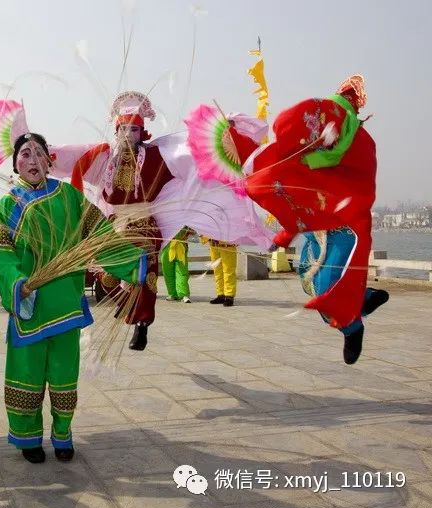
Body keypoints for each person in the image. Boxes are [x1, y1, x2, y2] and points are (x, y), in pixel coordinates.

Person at [48, 91, 274, 350]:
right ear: (116, 129)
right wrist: (39, 150)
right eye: (123, 129)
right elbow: (68, 155)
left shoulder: (159, 155)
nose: (128, 134)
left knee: (146, 272)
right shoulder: (102, 155)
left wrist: (226, 134)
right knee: (105, 275)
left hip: (145, 224)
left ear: (142, 132)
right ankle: (126, 306)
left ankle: (141, 325)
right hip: (114, 225)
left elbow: (194, 152)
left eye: (134, 129)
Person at [0, 133, 146, 464]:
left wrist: (133, 263)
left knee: (64, 375)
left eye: (38, 154)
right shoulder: (6, 206)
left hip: (65, 305)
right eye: (24, 155)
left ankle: (63, 434)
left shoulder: (70, 198)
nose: (32, 160)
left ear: (50, 160)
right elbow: (0, 254)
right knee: (26, 375)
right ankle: (28, 438)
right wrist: (18, 283)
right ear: (16, 163)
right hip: (29, 307)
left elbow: (99, 236)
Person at [245, 75, 389, 364]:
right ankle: (363, 298)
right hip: (318, 228)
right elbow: (301, 198)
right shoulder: (314, 147)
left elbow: (359, 190)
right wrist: (282, 238)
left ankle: (353, 327)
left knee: (325, 290)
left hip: (345, 227)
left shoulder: (361, 144)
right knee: (308, 280)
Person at [160, 227, 194, 303]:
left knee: (182, 271)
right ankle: (172, 293)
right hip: (166, 246)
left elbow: (193, 231)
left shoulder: (185, 218)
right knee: (167, 272)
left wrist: (188, 231)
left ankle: (183, 294)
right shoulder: (163, 218)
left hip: (180, 245)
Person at [203, 237, 238, 306]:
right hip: (213, 245)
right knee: (217, 271)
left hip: (227, 245)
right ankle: (220, 294)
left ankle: (229, 296)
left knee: (228, 271)